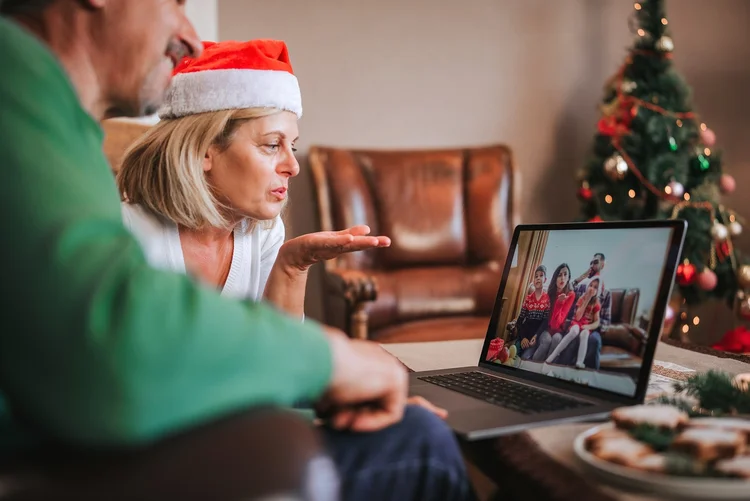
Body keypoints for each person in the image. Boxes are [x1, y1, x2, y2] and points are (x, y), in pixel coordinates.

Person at [0, 2, 476, 500]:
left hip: (91, 439)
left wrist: (295, 291)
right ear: (205, 151)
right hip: (71, 455)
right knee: (422, 445)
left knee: (408, 431)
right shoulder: (20, 92)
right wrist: (331, 361)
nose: (188, 36)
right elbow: (119, 349)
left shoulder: (55, 117)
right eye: (176, 2)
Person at [558, 253, 612, 369]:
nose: (592, 265)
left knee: (594, 341)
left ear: (602, 265)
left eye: (595, 262)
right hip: (576, 324)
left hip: (592, 329)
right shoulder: (582, 288)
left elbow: (606, 323)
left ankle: (589, 380)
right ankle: (558, 373)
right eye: (591, 263)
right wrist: (582, 277)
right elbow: (567, 288)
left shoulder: (606, 293)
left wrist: (589, 327)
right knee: (572, 335)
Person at [521, 262, 575, 362]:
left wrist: (559, 304)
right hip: (546, 328)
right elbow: (546, 321)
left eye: (565, 274)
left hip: (559, 329)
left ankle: (546, 368)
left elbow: (556, 325)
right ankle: (533, 366)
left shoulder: (570, 295)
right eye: (559, 275)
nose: (562, 278)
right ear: (555, 278)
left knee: (557, 339)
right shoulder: (550, 293)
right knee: (546, 340)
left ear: (568, 277)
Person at [545, 277, 602, 369]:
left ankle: (579, 362)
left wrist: (588, 327)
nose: (592, 288)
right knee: (574, 332)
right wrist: (587, 299)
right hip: (576, 323)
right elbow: (578, 316)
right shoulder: (582, 299)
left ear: (598, 291)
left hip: (586, 326)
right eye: (590, 285)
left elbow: (597, 322)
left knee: (585, 334)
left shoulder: (596, 303)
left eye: (595, 287)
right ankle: (553, 356)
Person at [507, 265, 549, 356]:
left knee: (525, 357)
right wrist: (523, 338)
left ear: (545, 280)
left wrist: (536, 336)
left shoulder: (547, 300)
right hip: (524, 335)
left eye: (541, 276)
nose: (538, 278)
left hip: (535, 338)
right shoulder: (528, 299)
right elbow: (519, 321)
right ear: (534, 280)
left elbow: (545, 322)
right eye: (536, 276)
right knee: (512, 354)